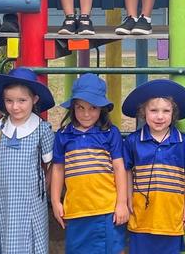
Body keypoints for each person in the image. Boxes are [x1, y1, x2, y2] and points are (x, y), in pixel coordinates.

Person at [51, 73, 129, 254]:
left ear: (102, 108)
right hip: (77, 209)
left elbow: (119, 168)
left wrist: (122, 203)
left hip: (107, 208)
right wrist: (56, 201)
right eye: (80, 108)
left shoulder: (110, 133)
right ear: (73, 108)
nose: (86, 114)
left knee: (113, 249)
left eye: (93, 108)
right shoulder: (63, 135)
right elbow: (58, 169)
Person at [0, 67, 56, 254]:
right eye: (9, 101)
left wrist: (42, 187)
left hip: (31, 202)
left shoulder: (42, 130)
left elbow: (52, 165)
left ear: (34, 100)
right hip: (2, 201)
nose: (15, 107)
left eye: (22, 100)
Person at [122, 79, 185, 253]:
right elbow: (127, 171)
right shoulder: (133, 141)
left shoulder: (182, 142)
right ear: (143, 112)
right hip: (141, 213)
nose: (160, 116)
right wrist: (127, 198)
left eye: (166, 111)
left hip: (171, 213)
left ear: (173, 114)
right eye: (153, 110)